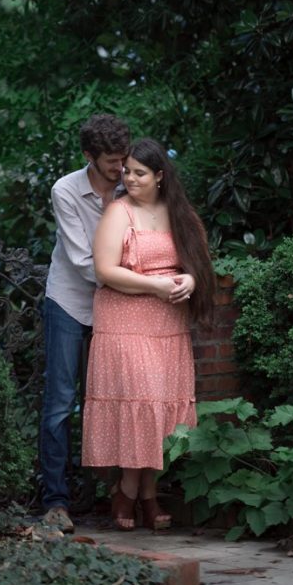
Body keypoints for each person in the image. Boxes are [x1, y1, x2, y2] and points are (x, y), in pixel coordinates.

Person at [81, 138, 213, 531]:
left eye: (140, 173)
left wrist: (189, 278)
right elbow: (105, 270)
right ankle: (132, 491)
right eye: (127, 171)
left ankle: (140, 493)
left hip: (167, 325)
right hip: (125, 322)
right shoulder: (118, 212)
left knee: (159, 409)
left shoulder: (179, 213)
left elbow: (199, 262)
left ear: (160, 176)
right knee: (138, 402)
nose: (130, 178)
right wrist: (155, 286)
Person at [37, 114, 131, 533]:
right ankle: (56, 502)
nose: (120, 167)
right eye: (112, 161)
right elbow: (81, 261)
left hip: (121, 304)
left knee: (120, 398)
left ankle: (120, 496)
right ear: (88, 156)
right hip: (71, 302)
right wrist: (141, 281)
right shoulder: (66, 190)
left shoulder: (135, 183)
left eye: (123, 158)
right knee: (60, 403)